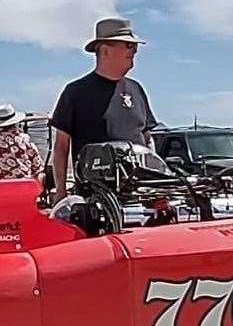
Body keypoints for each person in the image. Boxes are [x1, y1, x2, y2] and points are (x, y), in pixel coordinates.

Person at [49, 17, 157, 199]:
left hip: (140, 195)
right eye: (128, 46)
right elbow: (61, 147)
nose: (135, 51)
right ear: (105, 50)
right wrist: (61, 191)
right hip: (96, 199)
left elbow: (147, 140)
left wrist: (154, 181)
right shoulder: (75, 92)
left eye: (134, 46)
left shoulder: (136, 89)